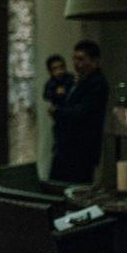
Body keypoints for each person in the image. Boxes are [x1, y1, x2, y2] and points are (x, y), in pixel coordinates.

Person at [49, 40, 109, 183]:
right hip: (67, 148)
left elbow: (82, 112)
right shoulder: (78, 81)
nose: (76, 63)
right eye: (74, 58)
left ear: (94, 61)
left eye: (81, 59)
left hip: (80, 151)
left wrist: (57, 112)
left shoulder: (97, 83)